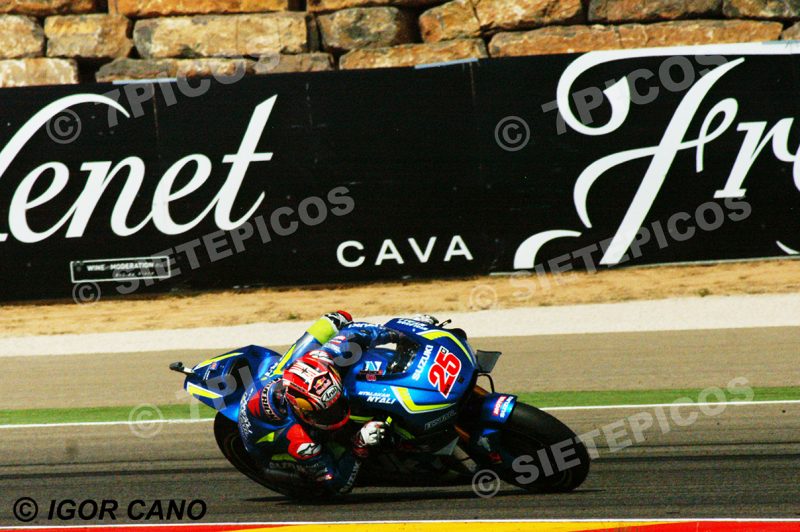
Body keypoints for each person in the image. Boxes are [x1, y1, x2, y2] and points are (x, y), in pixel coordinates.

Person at [237, 311, 401, 495]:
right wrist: (358, 446)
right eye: (326, 412)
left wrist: (398, 335)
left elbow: (355, 330)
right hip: (265, 443)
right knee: (327, 463)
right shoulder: (301, 441)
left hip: (278, 376)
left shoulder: (323, 357)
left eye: (336, 404)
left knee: (337, 319)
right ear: (303, 411)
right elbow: (339, 486)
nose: (336, 412)